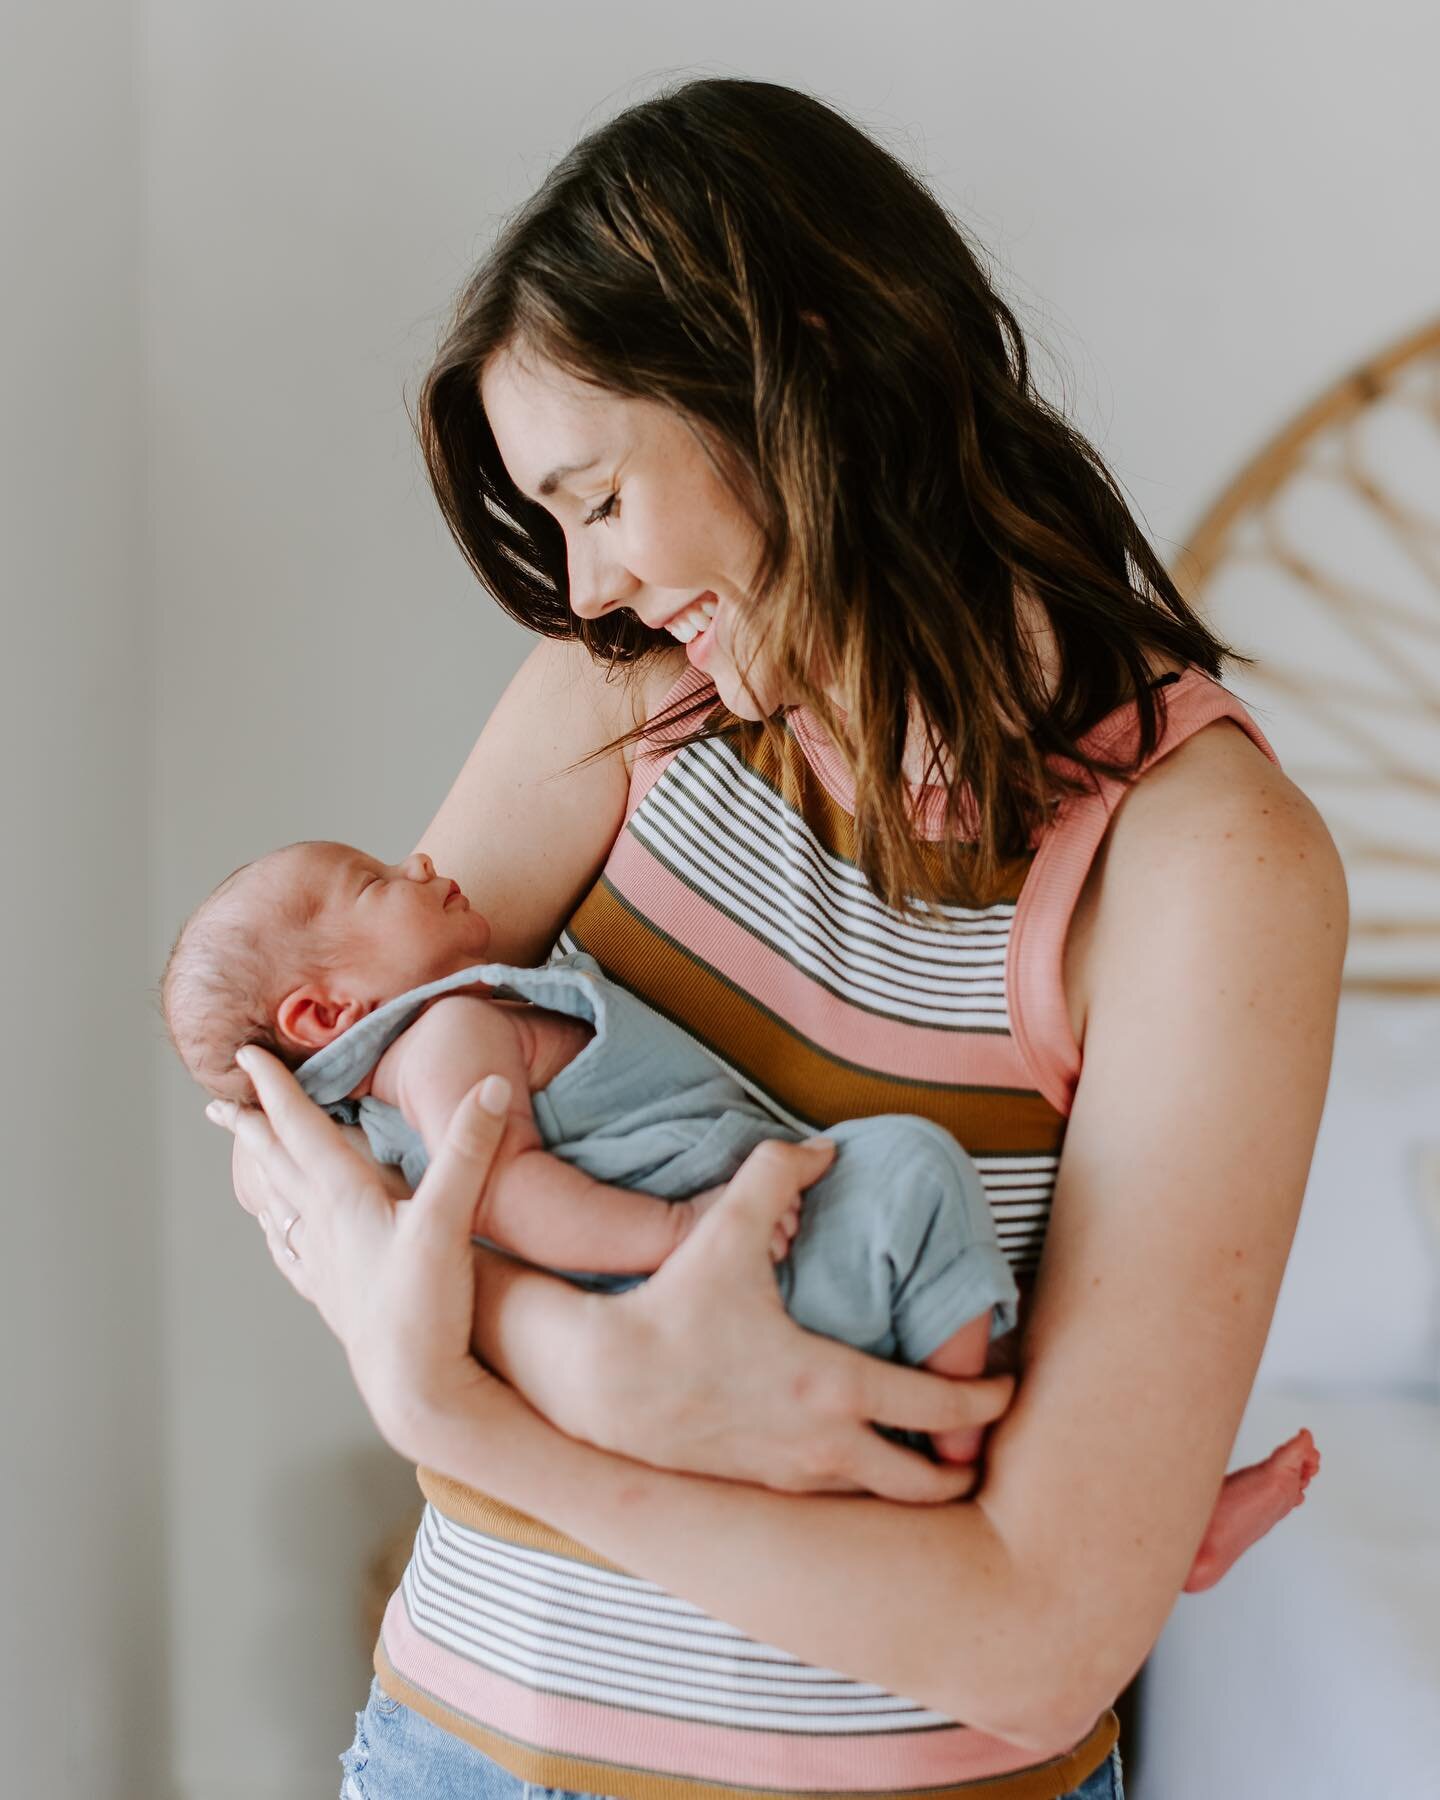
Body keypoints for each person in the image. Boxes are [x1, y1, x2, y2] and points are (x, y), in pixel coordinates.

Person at [206, 77, 1346, 1800]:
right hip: (446, 1753)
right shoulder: (612, 713)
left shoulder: (1198, 870)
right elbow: (294, 1115)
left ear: (795, 370)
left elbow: (1043, 1649)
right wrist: (594, 1357)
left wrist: (462, 1401)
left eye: (597, 496)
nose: (587, 589)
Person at [170, 835, 1319, 1528]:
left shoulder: (443, 1031)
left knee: (917, 1210)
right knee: (913, 1169)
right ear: (327, 1014)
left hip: (728, 1255)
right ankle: (1044, 1477)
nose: (421, 860)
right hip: (720, 1257)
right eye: (376, 880)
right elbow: (508, 1192)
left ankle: (1123, 1500)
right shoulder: (440, 1039)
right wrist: (680, 1230)